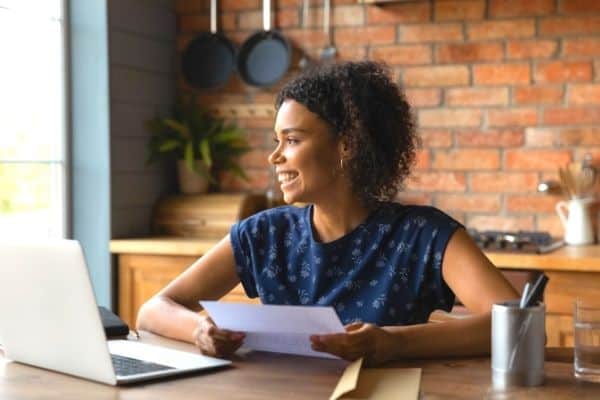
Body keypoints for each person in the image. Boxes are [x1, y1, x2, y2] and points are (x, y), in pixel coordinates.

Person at [137, 61, 518, 365]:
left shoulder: (424, 234)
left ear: (347, 146)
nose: (275, 157)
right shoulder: (264, 235)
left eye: (292, 140)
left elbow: (518, 325)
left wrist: (392, 343)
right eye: (277, 141)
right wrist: (200, 329)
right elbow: (153, 310)